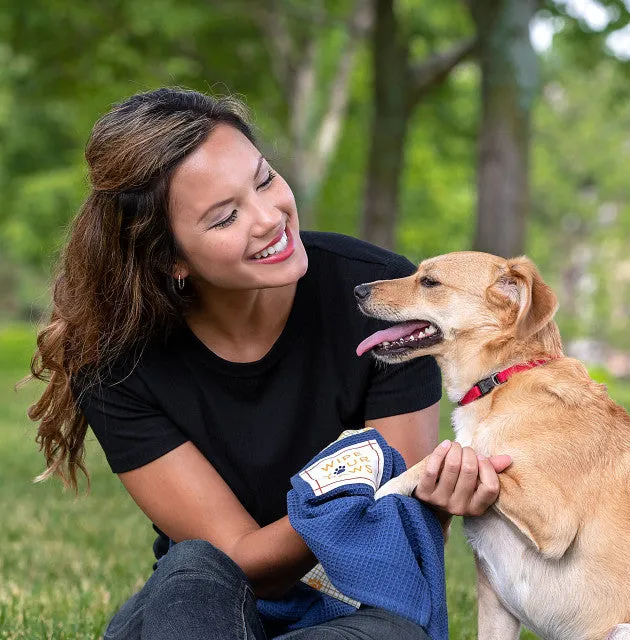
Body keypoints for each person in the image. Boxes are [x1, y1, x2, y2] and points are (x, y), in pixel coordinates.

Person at [29, 88, 511, 640]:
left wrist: (436, 495)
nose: (269, 218)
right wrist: (353, 492)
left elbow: (388, 532)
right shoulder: (116, 361)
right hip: (204, 611)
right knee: (192, 569)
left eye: (263, 179)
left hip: (358, 610)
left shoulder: (382, 299)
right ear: (172, 259)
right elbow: (238, 556)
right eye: (224, 217)